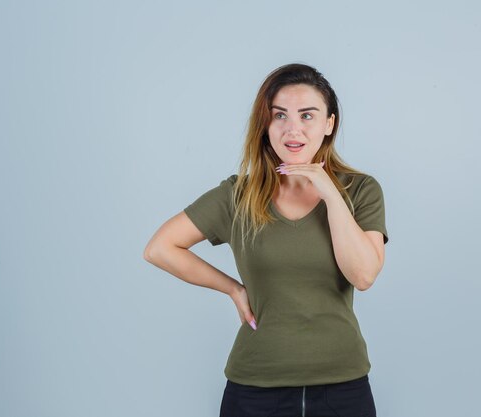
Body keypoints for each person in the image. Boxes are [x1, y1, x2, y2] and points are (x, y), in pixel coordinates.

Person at [143, 63, 388, 417]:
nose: (293, 129)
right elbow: (159, 248)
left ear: (329, 124)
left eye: (307, 116)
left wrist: (330, 194)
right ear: (266, 125)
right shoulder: (237, 195)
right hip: (256, 389)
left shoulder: (360, 190)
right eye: (280, 116)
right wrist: (233, 289)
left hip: (343, 388)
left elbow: (363, 275)